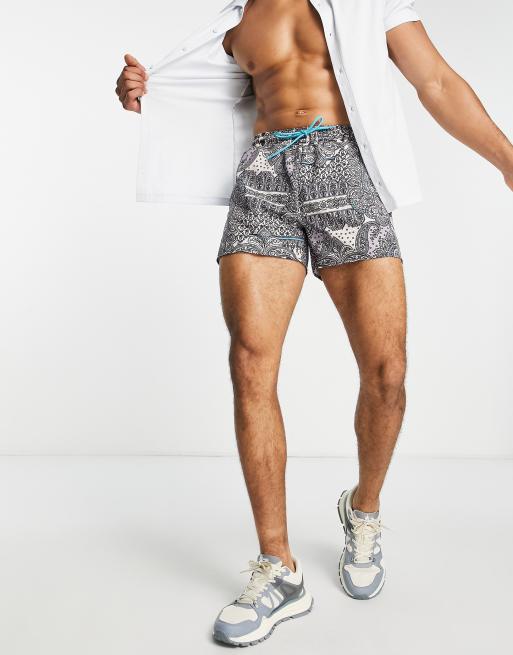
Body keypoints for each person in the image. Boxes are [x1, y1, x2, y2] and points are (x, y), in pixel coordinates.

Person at [115, 0, 513, 646]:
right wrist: (143, 92)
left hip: (345, 172)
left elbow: (435, 81)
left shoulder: (369, 3)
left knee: (387, 372)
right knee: (250, 361)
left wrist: (506, 158)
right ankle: (278, 568)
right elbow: (187, 96)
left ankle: (363, 509)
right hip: (263, 179)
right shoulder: (236, 20)